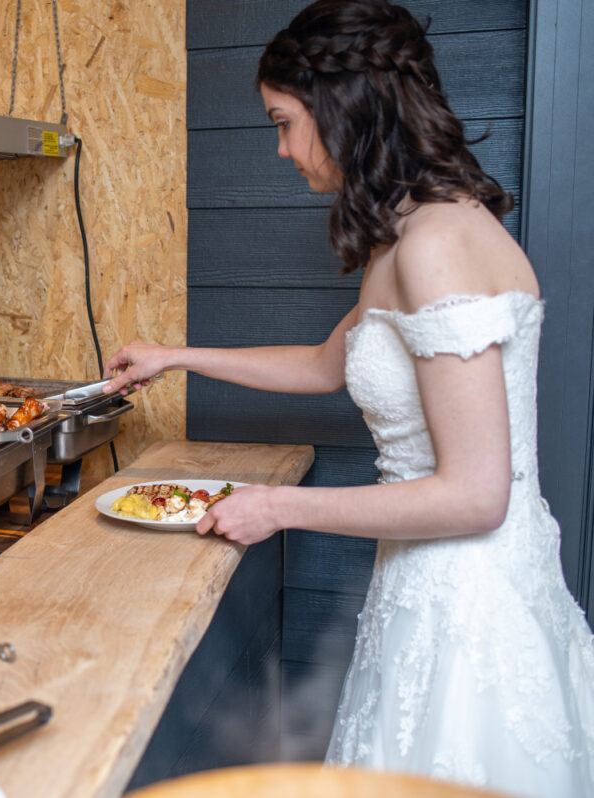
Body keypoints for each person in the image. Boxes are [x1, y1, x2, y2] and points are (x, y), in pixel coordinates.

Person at [101, 1, 594, 795]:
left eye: (285, 123)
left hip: (466, 605)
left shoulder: (436, 245)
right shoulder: (411, 231)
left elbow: (476, 497)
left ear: (344, 110)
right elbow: (327, 364)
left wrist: (278, 508)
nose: (281, 148)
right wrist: (175, 357)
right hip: (427, 581)